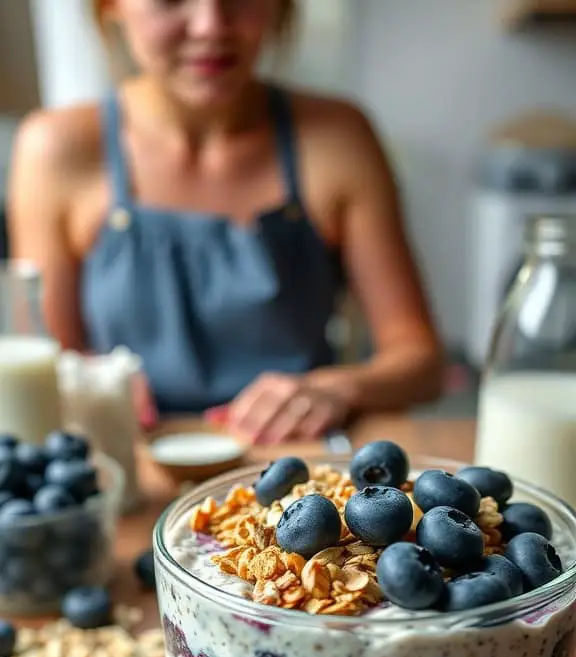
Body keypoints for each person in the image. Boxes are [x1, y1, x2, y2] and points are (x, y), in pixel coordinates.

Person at [9, 0, 443, 443]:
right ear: (110, 8)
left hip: (300, 470)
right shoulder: (54, 149)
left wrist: (337, 387)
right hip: (133, 469)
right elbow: (43, 364)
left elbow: (421, 361)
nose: (211, 26)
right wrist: (92, 385)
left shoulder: (338, 136)